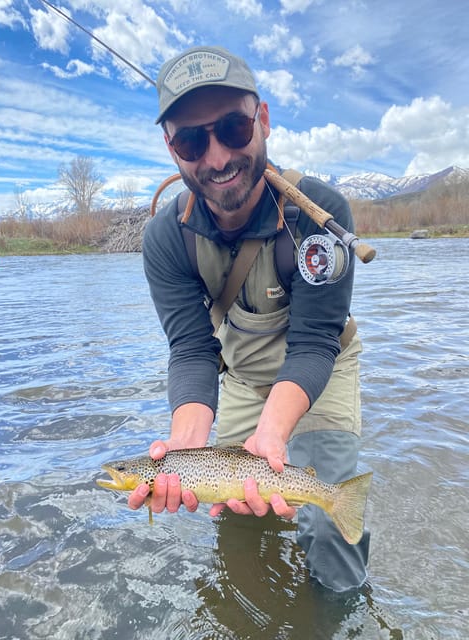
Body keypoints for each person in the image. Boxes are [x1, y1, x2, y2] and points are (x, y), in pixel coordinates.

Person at [129, 45, 370, 592]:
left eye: (233, 128)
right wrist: (187, 448)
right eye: (192, 139)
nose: (215, 159)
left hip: (320, 371)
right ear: (172, 150)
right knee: (235, 527)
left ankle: (338, 616)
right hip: (239, 375)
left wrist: (272, 436)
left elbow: (314, 342)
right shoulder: (166, 238)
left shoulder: (318, 213)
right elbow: (191, 349)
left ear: (262, 120)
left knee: (329, 532)